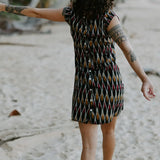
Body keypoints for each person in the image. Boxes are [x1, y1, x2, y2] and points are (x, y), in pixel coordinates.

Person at [0, 1, 156, 160]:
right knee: (109, 132)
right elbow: (128, 49)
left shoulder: (70, 15)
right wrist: (144, 78)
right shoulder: (108, 18)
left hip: (85, 86)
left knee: (88, 146)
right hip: (110, 83)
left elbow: (36, 12)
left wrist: (4, 7)